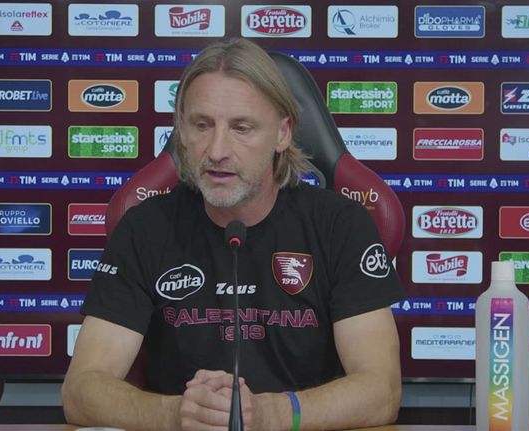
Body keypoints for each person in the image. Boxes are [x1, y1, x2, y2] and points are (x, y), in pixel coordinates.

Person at [62, 38, 404, 431]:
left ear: (282, 133)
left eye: (241, 128)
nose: (217, 150)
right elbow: (80, 391)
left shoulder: (341, 225)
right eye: (202, 125)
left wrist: (273, 414)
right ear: (181, 130)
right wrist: (174, 414)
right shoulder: (144, 228)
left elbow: (382, 391)